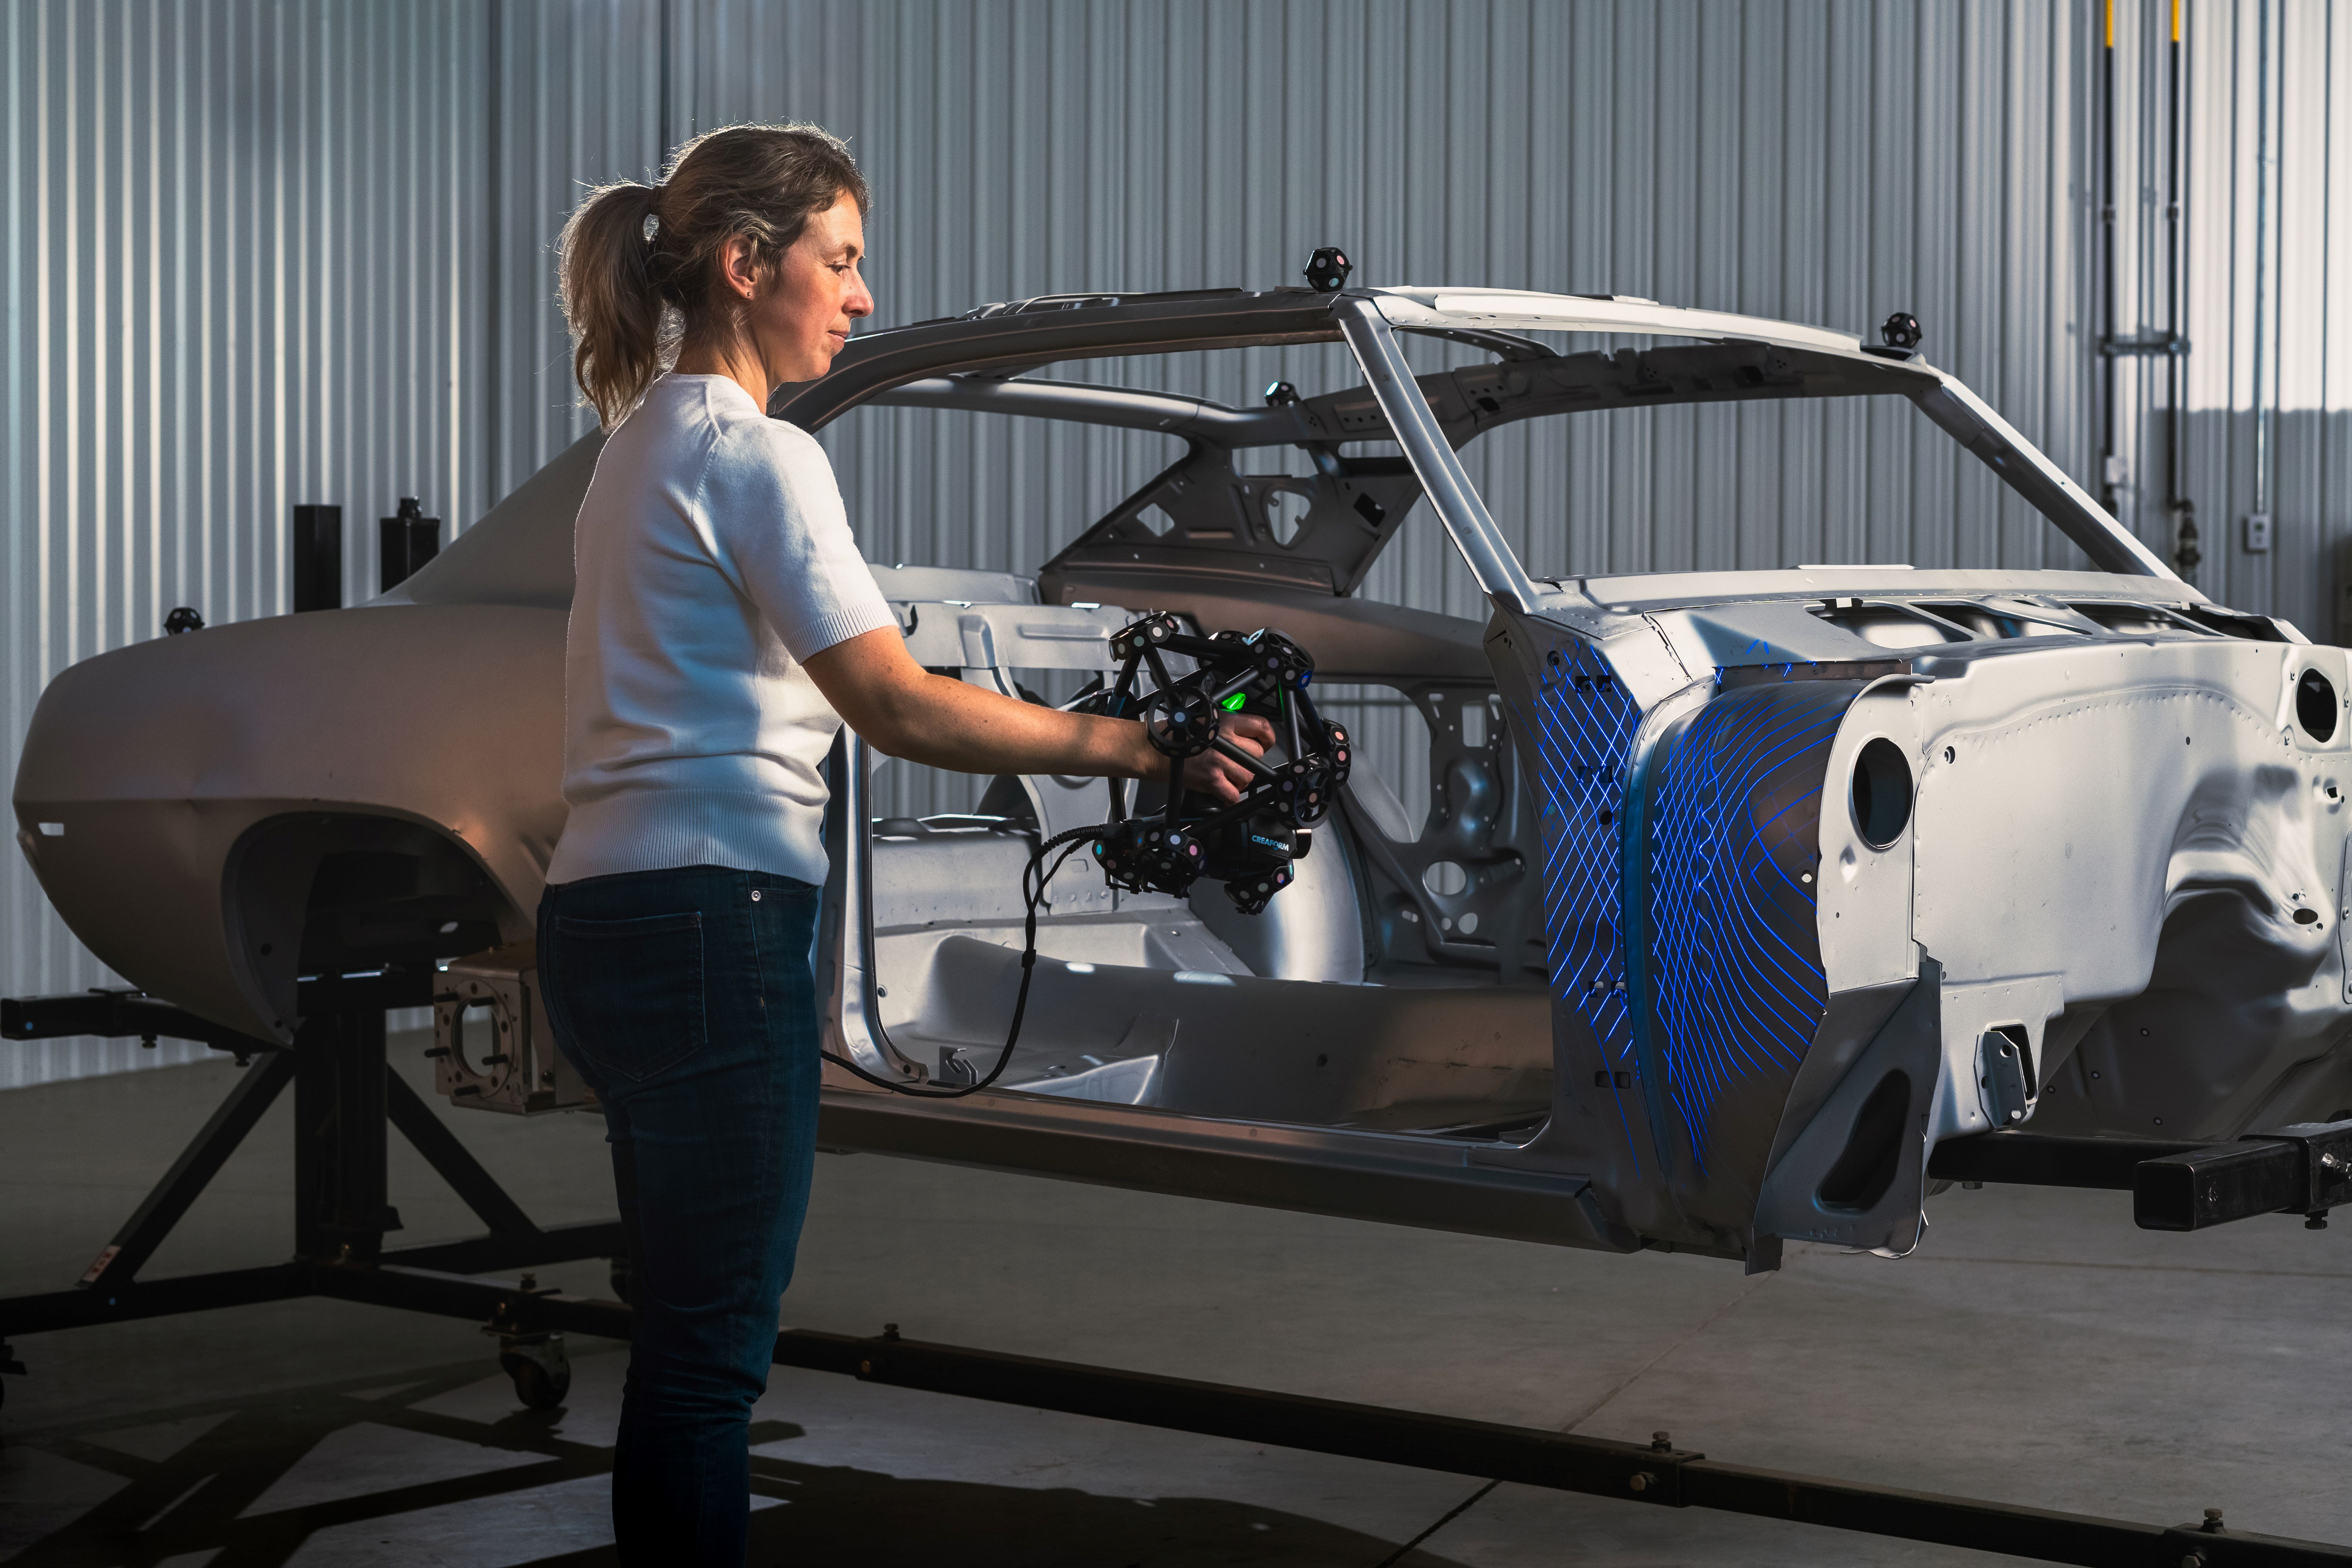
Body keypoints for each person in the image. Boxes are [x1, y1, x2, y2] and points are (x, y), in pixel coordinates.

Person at [538, 123, 1271, 1565]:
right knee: (708, 1363)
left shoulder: (634, 452)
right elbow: (890, 699)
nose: (864, 297)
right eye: (843, 260)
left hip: (605, 915)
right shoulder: (760, 457)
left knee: (681, 1330)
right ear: (748, 265)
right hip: (712, 915)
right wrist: (1142, 750)